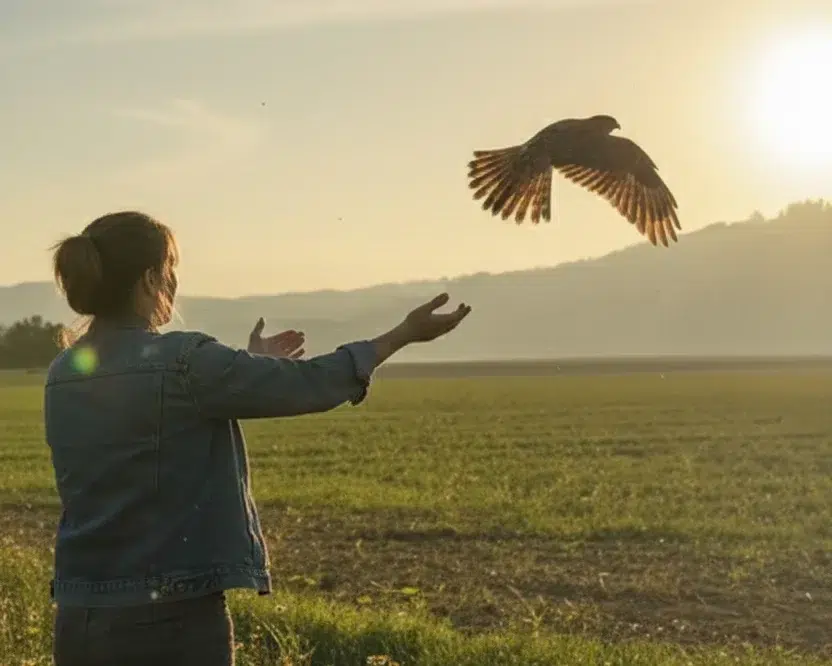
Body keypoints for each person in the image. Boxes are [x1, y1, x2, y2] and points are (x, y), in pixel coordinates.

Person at [45, 211, 472, 666]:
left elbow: (151, 412)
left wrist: (248, 363)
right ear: (150, 280)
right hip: (170, 616)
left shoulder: (64, 371)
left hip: (81, 612)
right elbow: (311, 383)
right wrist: (403, 334)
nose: (173, 283)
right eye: (170, 270)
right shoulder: (185, 362)